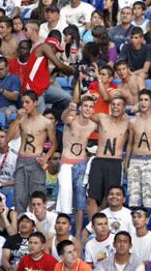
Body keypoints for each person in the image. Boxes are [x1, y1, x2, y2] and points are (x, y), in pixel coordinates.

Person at [6, 90, 57, 213]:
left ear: (35, 102)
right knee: (19, 197)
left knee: (36, 197)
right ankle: (19, 226)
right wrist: (17, 119)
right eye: (23, 102)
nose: (24, 105)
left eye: (27, 102)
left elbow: (54, 144)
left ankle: (36, 227)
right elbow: (8, 138)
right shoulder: (21, 119)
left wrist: (45, 158)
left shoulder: (46, 122)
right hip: (21, 159)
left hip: (36, 160)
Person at [57, 96, 96, 236]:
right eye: (85, 106)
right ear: (80, 107)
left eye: (91, 107)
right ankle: (63, 232)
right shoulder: (71, 120)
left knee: (80, 202)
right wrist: (70, 108)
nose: (88, 109)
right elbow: (63, 117)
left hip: (82, 163)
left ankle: (78, 234)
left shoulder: (93, 125)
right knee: (65, 199)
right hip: (67, 162)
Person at [86, 96, 129, 218]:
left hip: (115, 162)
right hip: (99, 160)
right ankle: (92, 227)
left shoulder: (128, 123)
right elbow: (85, 115)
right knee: (92, 198)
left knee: (109, 197)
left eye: (118, 104)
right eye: (113, 104)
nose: (115, 107)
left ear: (124, 107)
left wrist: (127, 161)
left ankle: (104, 225)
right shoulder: (102, 117)